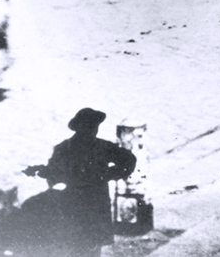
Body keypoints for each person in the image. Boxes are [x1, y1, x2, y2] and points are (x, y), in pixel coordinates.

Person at [23, 108, 136, 257]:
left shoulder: (100, 147)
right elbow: (54, 175)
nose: (93, 130)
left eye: (95, 126)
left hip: (89, 208)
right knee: (79, 248)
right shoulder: (66, 149)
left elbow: (128, 160)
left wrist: (107, 175)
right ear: (80, 127)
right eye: (90, 126)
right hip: (76, 208)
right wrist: (46, 173)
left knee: (89, 250)